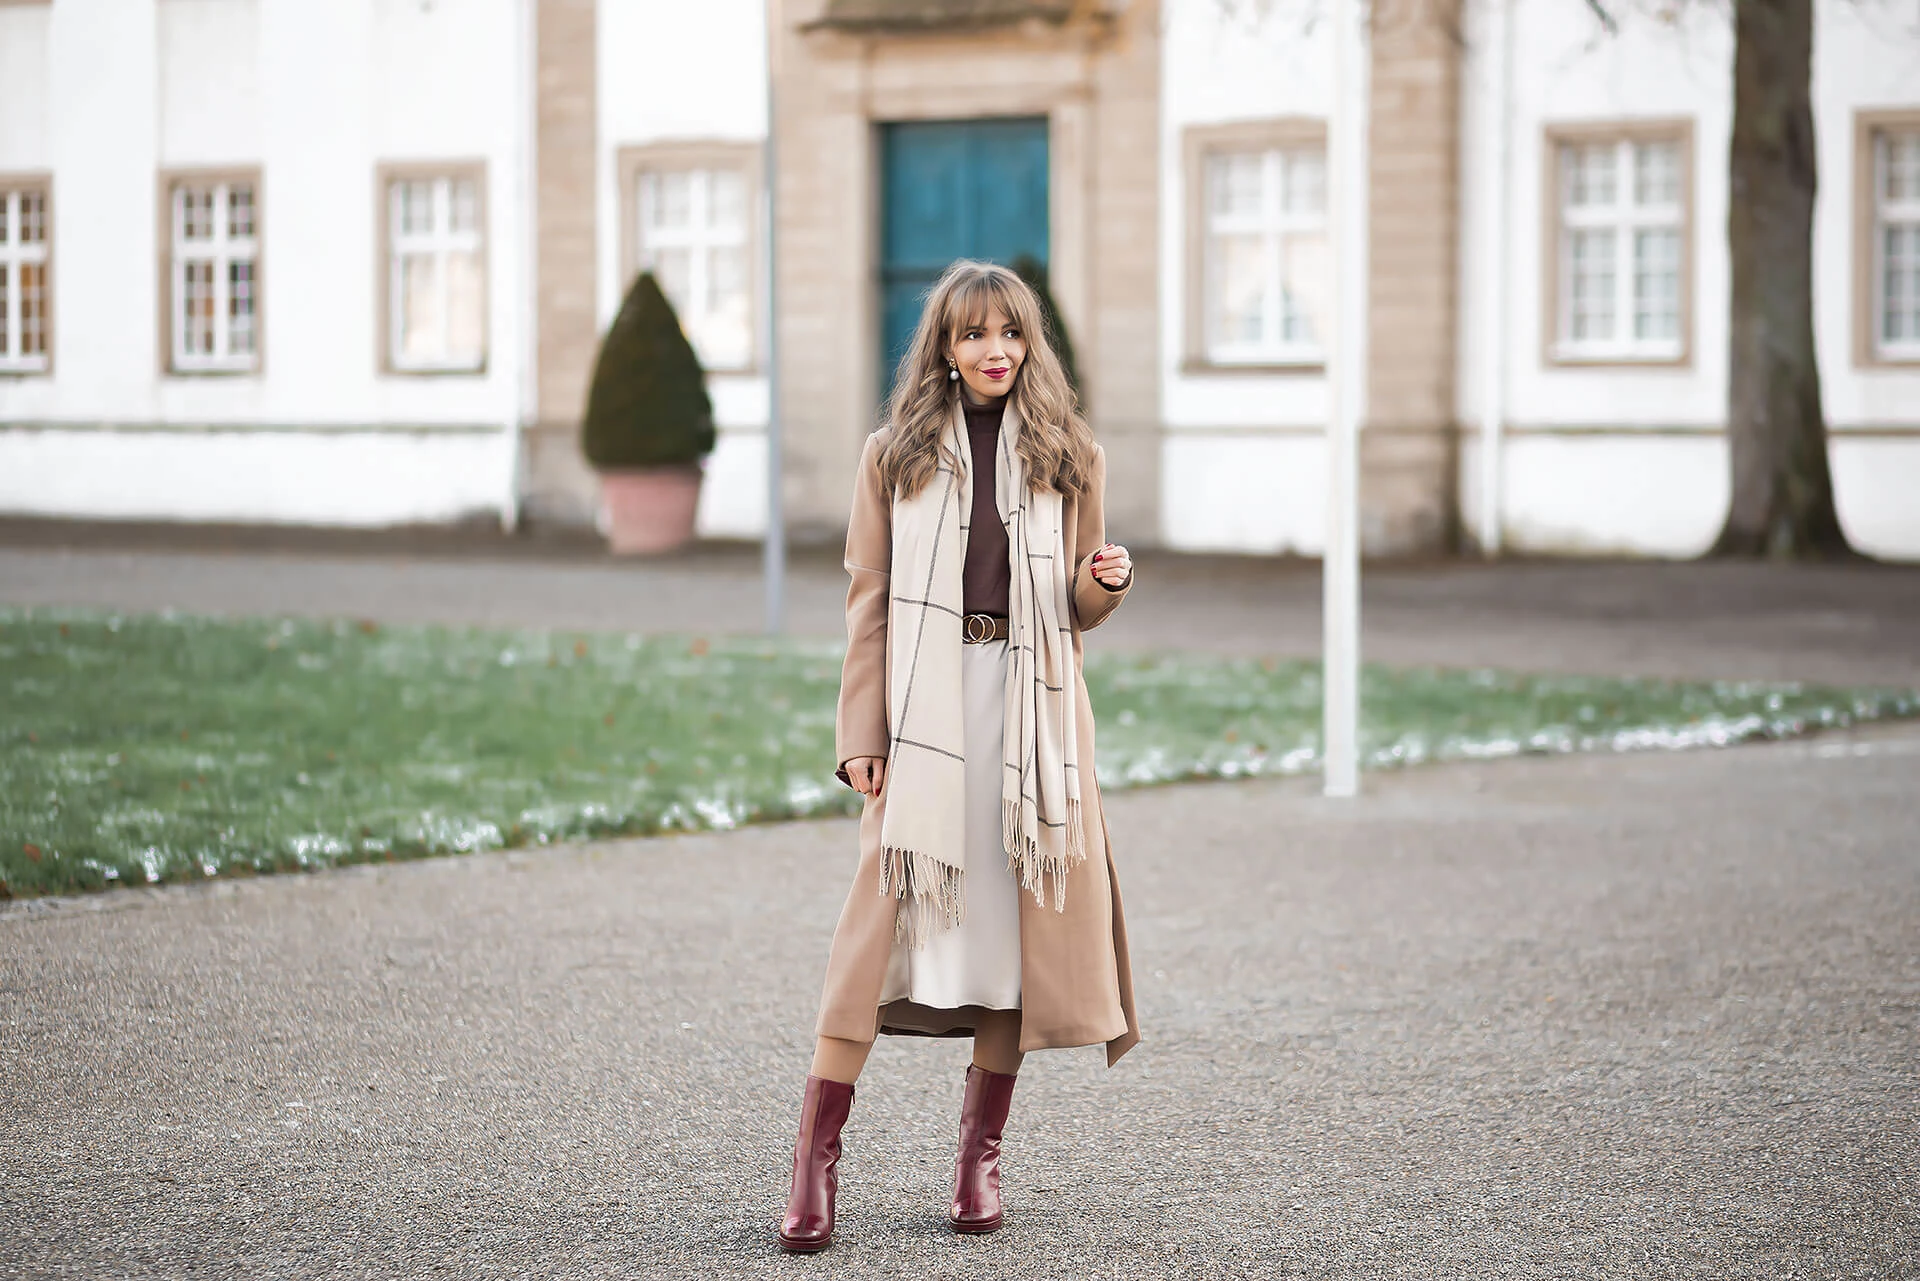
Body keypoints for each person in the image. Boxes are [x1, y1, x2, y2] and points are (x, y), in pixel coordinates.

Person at [777, 259, 1139, 1253]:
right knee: (873, 930)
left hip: (1029, 718)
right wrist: (861, 737)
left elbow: (1074, 603)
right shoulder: (893, 455)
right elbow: (868, 605)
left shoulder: (1071, 455)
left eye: (1012, 334)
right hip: (923, 710)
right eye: (975, 334)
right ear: (943, 344)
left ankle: (979, 1160)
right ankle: (815, 1162)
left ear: (1031, 345)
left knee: (1009, 938)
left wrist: (1106, 582)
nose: (995, 352)